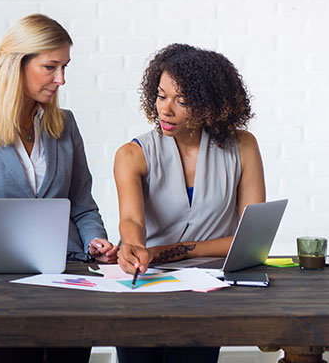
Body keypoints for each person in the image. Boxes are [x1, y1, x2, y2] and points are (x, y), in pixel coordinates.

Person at [0, 13, 117, 363]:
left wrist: (95, 240)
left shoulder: (64, 125)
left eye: (65, 67)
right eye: (50, 67)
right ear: (15, 65)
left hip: (70, 279)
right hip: (2, 290)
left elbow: (82, 205)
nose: (61, 79)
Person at [114, 43, 266, 363]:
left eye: (182, 101)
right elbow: (132, 220)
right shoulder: (132, 155)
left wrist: (182, 249)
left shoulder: (243, 147)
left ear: (211, 105)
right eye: (161, 95)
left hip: (209, 292)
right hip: (147, 284)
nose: (165, 109)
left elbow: (250, 241)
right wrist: (133, 245)